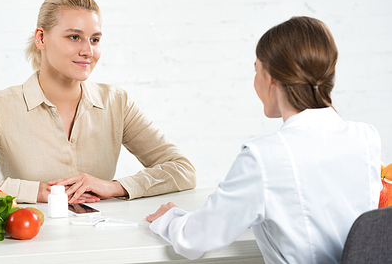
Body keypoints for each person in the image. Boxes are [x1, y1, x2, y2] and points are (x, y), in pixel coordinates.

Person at [146, 16, 381, 263]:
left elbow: (194, 240)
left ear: (270, 77)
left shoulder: (264, 158)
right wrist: (237, 207)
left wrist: (169, 218)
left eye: (255, 69)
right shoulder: (366, 138)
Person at [0, 0, 196, 204]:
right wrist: (35, 191)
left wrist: (114, 187)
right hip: (32, 242)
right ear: (41, 38)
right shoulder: (0, 107)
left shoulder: (117, 102)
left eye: (94, 40)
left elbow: (182, 170)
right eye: (74, 37)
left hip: (103, 240)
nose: (88, 51)